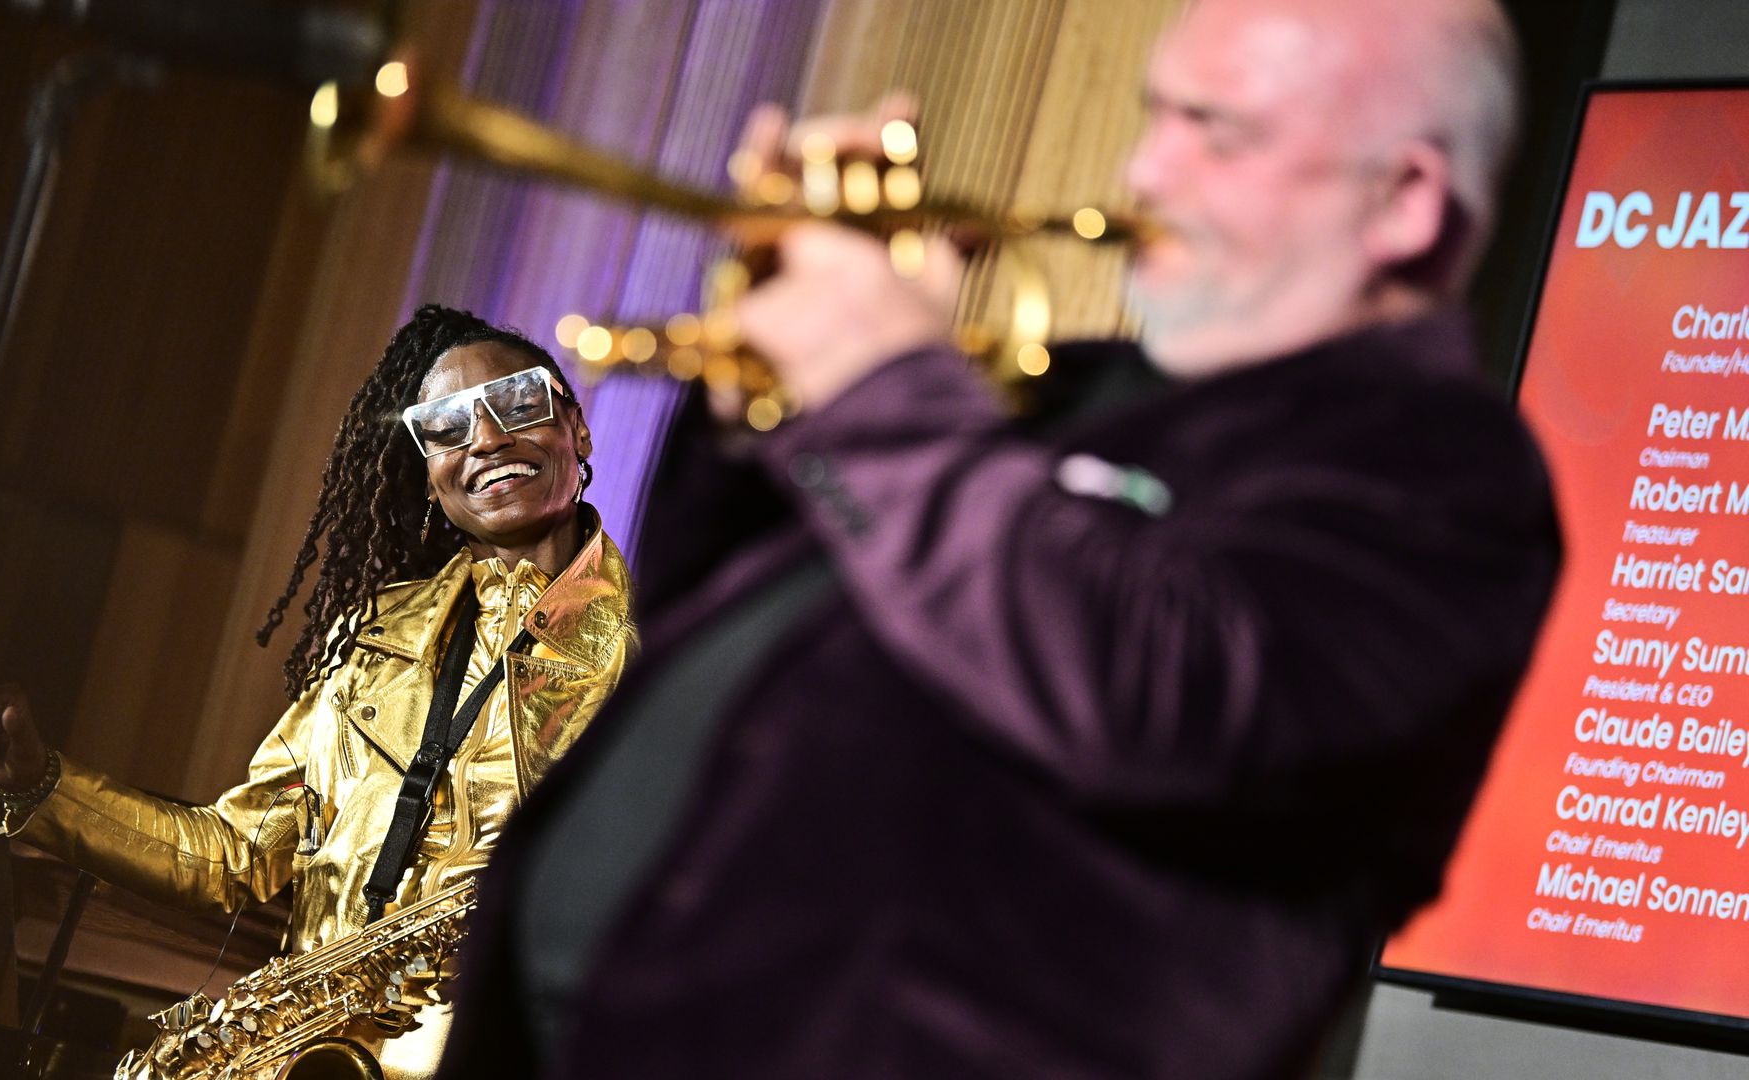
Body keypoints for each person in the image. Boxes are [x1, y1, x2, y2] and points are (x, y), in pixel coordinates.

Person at [439, 0, 1558, 1077]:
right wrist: (762, 407)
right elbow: (705, 614)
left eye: (1215, 131)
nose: (1146, 172)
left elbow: (1164, 692)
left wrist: (881, 390)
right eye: (1156, 115)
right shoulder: (1070, 389)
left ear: (1404, 200)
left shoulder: (1447, 479)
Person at [0, 305, 636, 1078]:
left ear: (578, 429)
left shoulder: (658, 656)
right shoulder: (371, 638)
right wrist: (45, 784)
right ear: (430, 479)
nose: (484, 439)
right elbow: (235, 855)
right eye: (445, 427)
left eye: (516, 404)